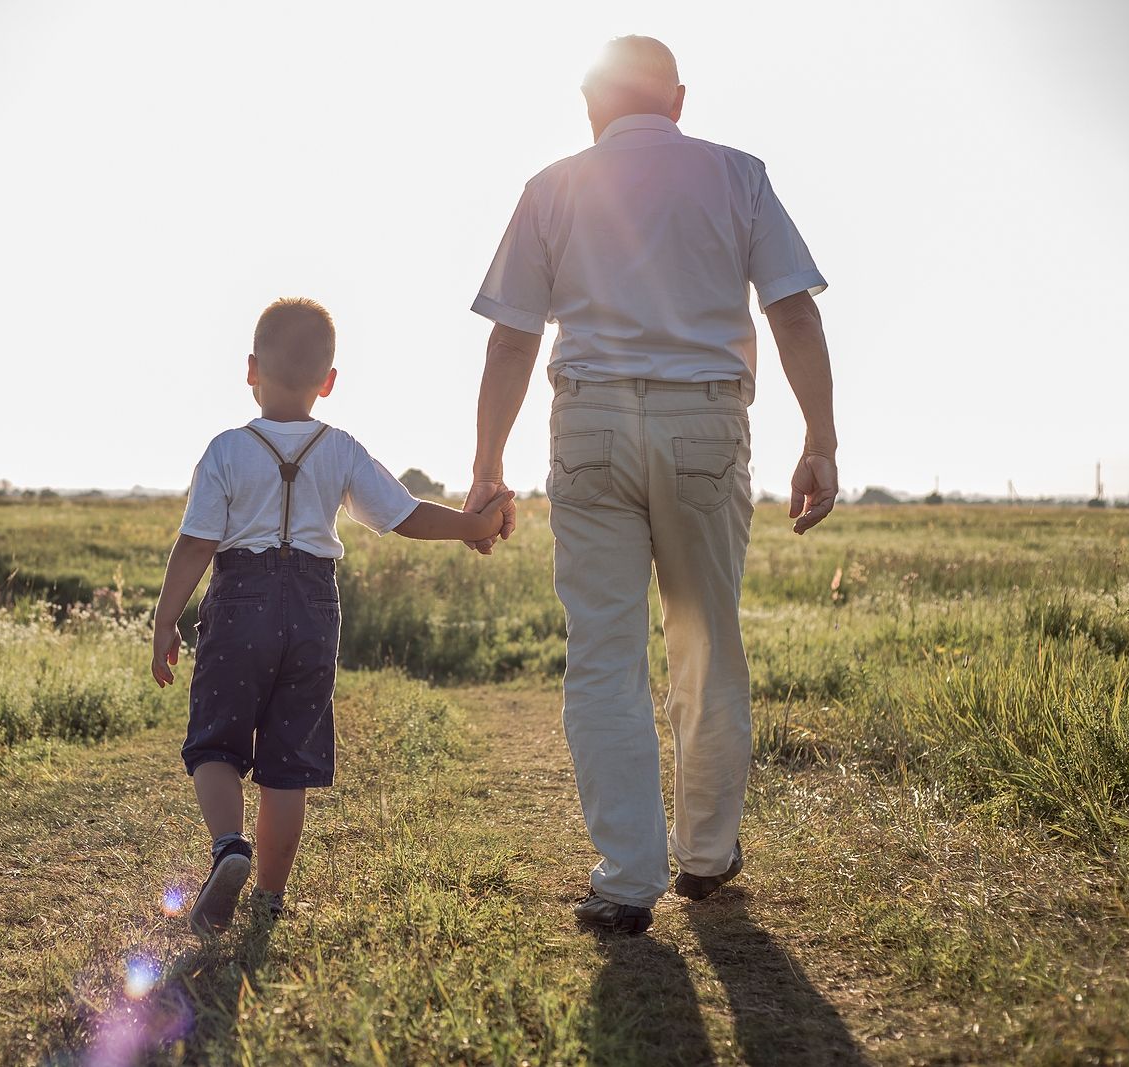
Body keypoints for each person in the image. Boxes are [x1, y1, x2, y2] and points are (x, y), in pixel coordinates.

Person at [463, 36, 838, 933]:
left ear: (590, 106)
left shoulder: (553, 186)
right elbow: (791, 307)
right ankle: (706, 858)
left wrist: (486, 466)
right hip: (705, 420)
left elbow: (512, 338)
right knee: (705, 643)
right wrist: (820, 438)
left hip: (588, 421)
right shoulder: (738, 176)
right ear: (676, 99)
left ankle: (627, 879)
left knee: (603, 655)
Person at [150, 297, 514, 936]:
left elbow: (197, 544)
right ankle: (267, 899)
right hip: (315, 609)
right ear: (330, 382)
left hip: (239, 604)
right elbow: (404, 515)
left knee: (216, 740)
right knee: (288, 761)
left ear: (250, 369)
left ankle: (228, 848)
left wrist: (164, 621)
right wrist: (471, 526)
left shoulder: (226, 451)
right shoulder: (340, 448)